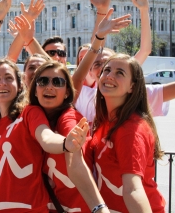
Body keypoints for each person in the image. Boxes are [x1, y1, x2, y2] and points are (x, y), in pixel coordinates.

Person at [0, 59, 94, 212]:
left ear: (20, 85)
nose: (2, 83)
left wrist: (66, 143)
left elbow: (46, 137)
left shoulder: (29, 112)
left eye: (8, 78)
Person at [68, 54, 166, 212]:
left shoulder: (131, 129)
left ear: (132, 87)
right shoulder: (106, 121)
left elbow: (133, 189)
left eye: (120, 73)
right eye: (107, 70)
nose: (109, 76)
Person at [28, 61, 90, 212]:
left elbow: (75, 160)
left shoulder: (71, 118)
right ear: (35, 90)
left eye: (57, 82)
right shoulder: (28, 115)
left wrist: (99, 207)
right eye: (42, 81)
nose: (49, 86)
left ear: (67, 92)